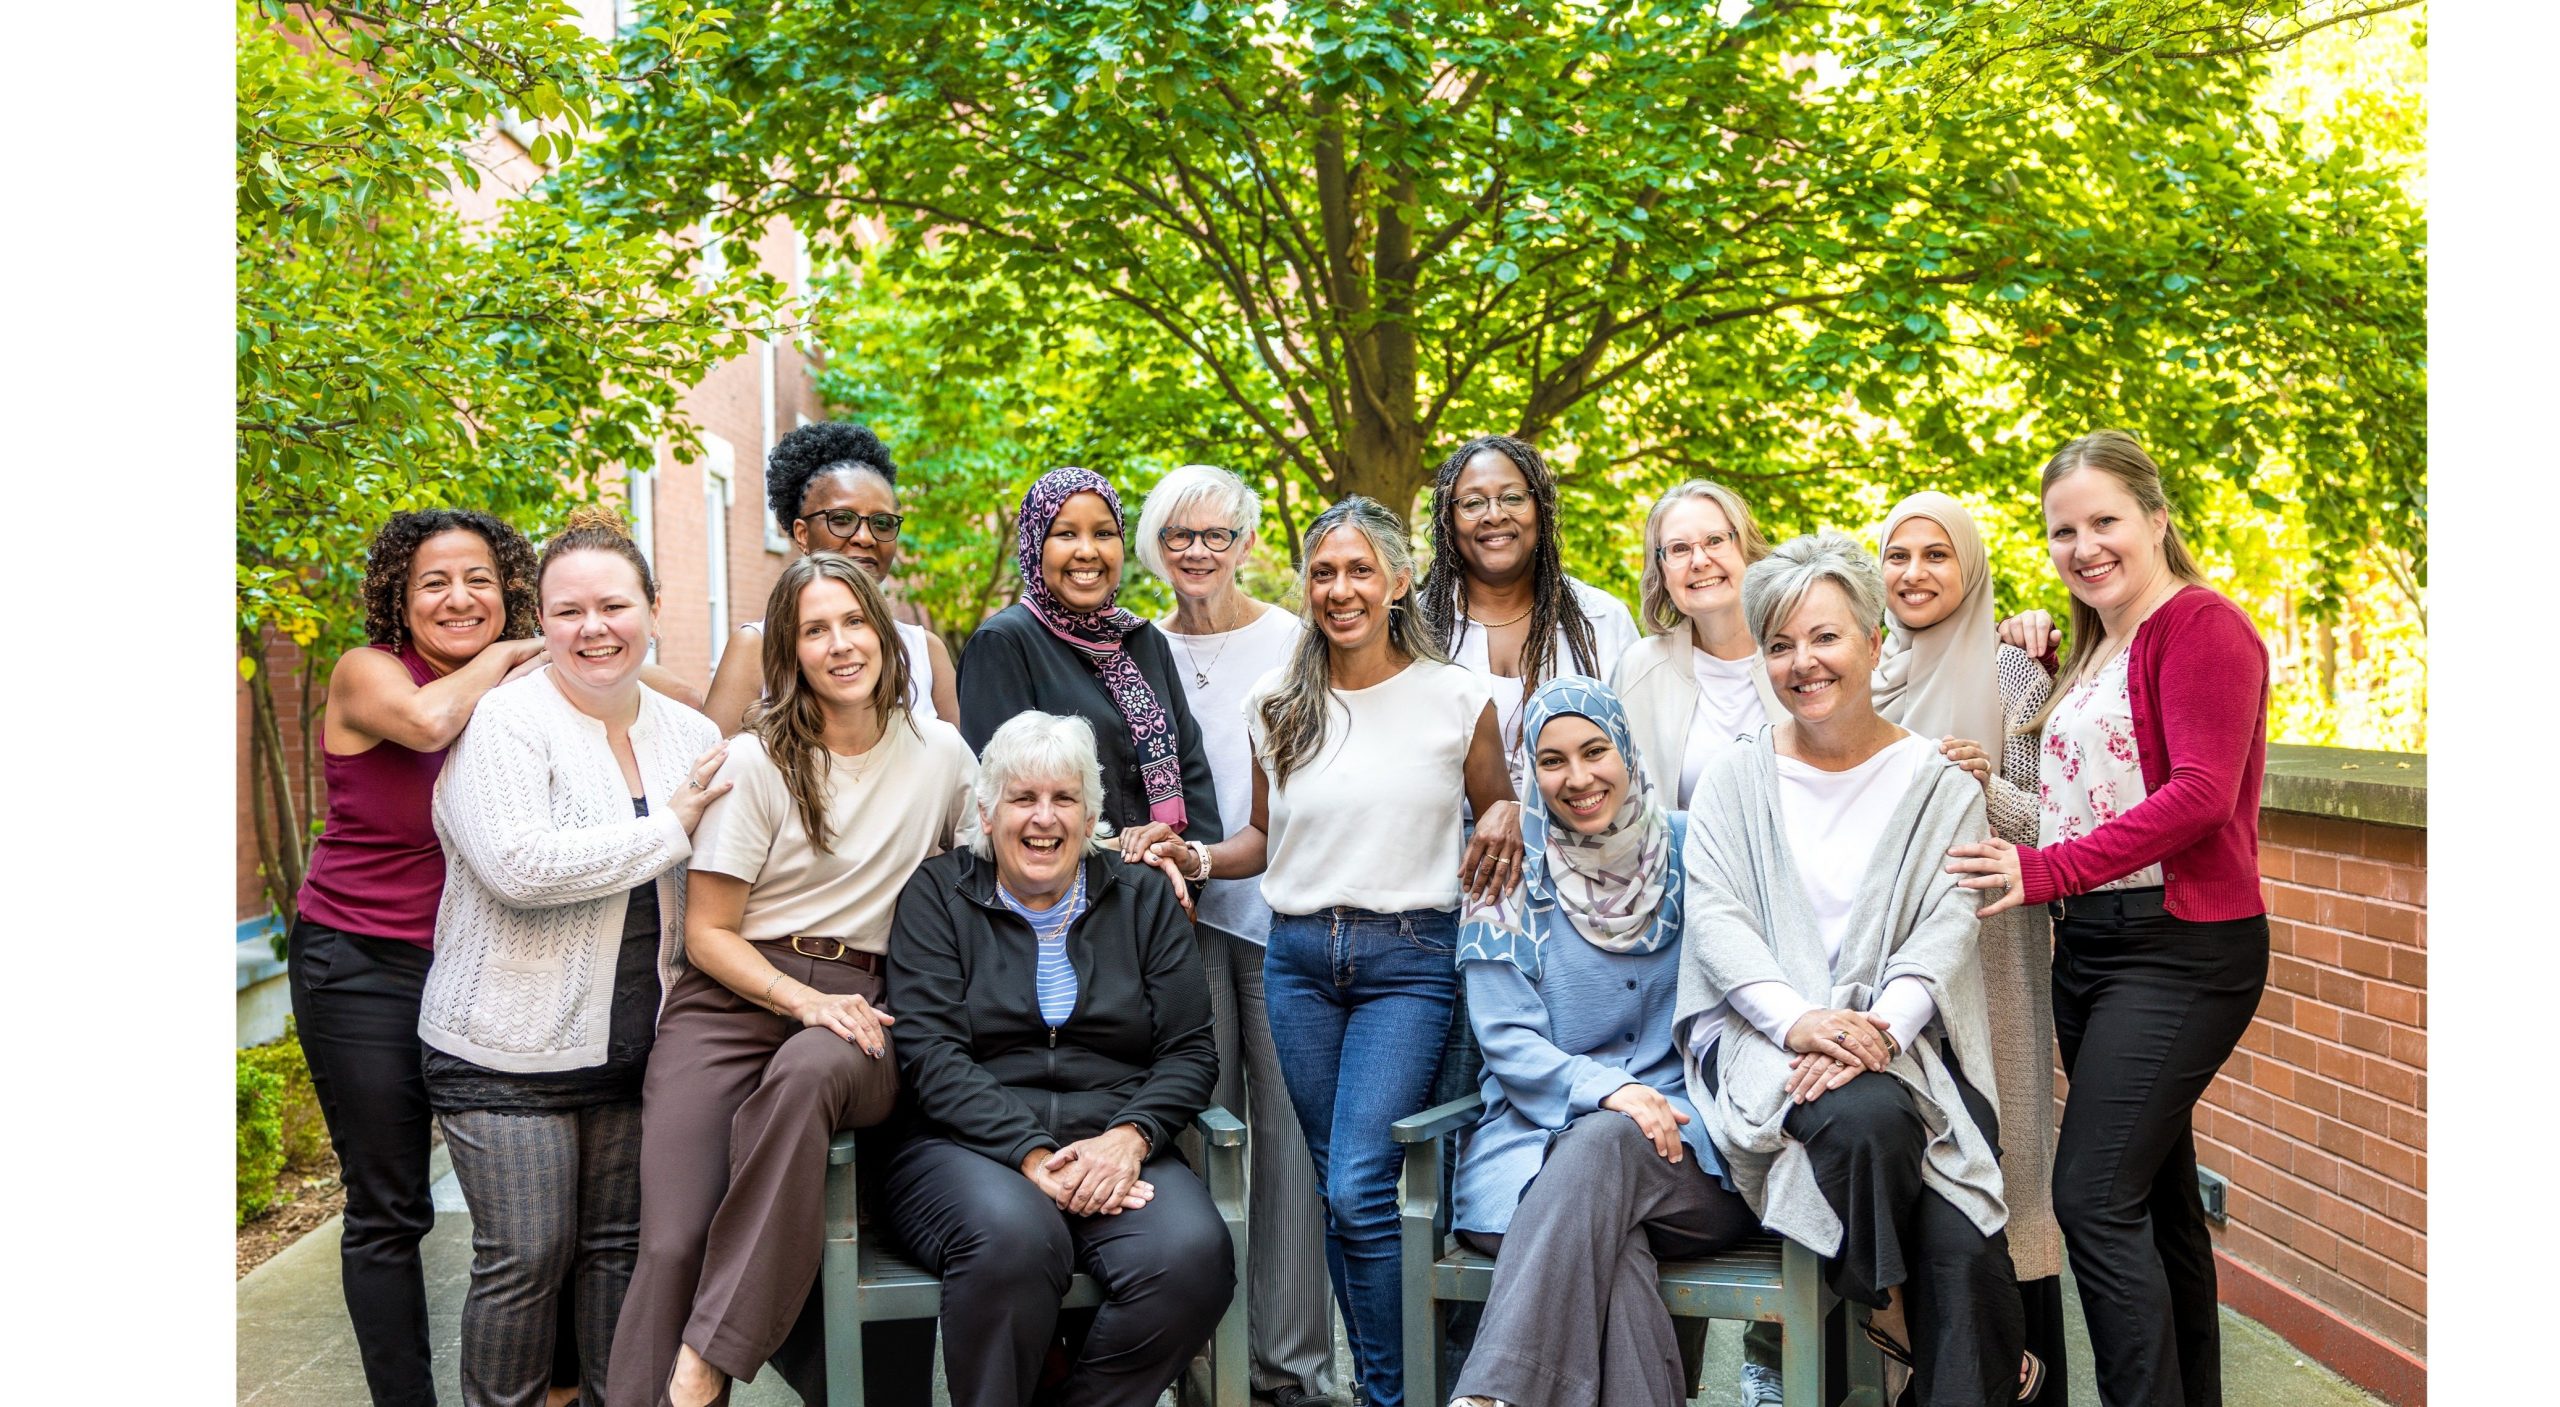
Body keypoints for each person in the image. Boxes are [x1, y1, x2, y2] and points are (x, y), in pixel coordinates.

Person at [1137, 495, 1524, 1407]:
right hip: (1300, 961)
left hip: (1409, 962)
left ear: (1397, 581)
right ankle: (1392, 1389)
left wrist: (1506, 808)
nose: (1339, 589)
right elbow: (1263, 840)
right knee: (1329, 1192)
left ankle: (1393, 1395)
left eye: (1359, 571)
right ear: (1305, 584)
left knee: (1356, 1188)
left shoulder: (1457, 697)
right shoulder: (1275, 702)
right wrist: (1190, 851)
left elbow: (1500, 811)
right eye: (1323, 571)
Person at [1945, 431, 2271, 1407]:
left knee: (2089, 1196)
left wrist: (2047, 870)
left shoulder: (2202, 625)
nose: (2083, 545)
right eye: (2062, 531)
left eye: (2104, 522)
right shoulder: (2096, 647)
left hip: (2181, 950)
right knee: (2158, 1207)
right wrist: (2025, 656)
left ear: (2156, 520)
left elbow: (2201, 795)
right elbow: (2070, 782)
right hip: (2091, 948)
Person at [609, 554, 977, 1407]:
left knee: (813, 1066)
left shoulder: (943, 756)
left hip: (868, 1006)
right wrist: (800, 998)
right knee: (672, 1241)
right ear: (789, 650)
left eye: (854, 622)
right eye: (815, 629)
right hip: (736, 999)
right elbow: (706, 934)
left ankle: (708, 1357)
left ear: (886, 635)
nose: (840, 644)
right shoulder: (756, 759)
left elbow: (1000, 869)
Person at [1674, 532, 2028, 1407]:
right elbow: (1716, 919)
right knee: (1867, 1122)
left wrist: (1875, 1030)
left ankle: (1905, 1333)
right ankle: (1895, 1316)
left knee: (1961, 1237)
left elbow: (1946, 928)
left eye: (1826, 637)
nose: (1804, 662)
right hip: (1768, 1041)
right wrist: (1800, 1021)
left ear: (1874, 642)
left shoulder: (1937, 781)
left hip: (1902, 1047)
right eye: (1782, 644)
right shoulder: (1732, 780)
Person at [421, 507, 729, 1407]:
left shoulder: (690, 734)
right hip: (503, 1048)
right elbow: (520, 866)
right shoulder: (506, 724)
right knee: (526, 1256)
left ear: (653, 608)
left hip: (641, 1050)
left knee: (615, 1260)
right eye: (567, 611)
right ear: (541, 621)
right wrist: (670, 825)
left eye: (613, 606)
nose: (593, 629)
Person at [880, 711, 1233, 1407]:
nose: (1043, 818)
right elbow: (932, 1054)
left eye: (1064, 798)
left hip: (1115, 1140)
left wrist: (1129, 1139)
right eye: (1022, 797)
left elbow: (1191, 1050)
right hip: (965, 1150)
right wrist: (1033, 1154)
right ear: (987, 811)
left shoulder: (1141, 900)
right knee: (1012, 1240)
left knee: (1190, 1257)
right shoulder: (937, 896)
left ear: (1093, 813)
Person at [1446, 676, 1763, 1407]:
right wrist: (1609, 1090)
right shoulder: (1508, 866)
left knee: (1608, 1146)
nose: (1578, 777)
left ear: (1627, 750)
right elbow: (1506, 1037)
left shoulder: (1693, 848)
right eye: (1552, 760)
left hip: (1693, 1155)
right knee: (1613, 1246)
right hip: (1529, 1158)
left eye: (1595, 750)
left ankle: (1493, 1395)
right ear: (1532, 771)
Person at [290, 509, 545, 1407]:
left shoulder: (528, 677)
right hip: (362, 960)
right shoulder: (372, 674)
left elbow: (666, 703)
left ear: (509, 583)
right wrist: (517, 648)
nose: (458, 596)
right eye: (432, 581)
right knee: (391, 1204)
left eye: (478, 576)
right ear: (400, 599)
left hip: (485, 963)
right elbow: (433, 723)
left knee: (531, 1208)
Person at [1121, 464, 1336, 1407]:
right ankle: (1209, 1373)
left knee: (1287, 1143)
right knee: (1197, 1137)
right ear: (1155, 550)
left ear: (1248, 543)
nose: (1197, 552)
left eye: (1216, 536)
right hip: (1173, 932)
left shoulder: (1294, 643)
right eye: (1178, 536)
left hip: (1281, 918)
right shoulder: (1132, 648)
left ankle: (1292, 1369)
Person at [1871, 490, 2071, 1403]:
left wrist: (1988, 786)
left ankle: (2029, 1378)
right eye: (1899, 555)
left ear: (1972, 566)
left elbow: (2057, 831)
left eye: (1937, 554)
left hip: (1994, 955)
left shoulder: (2017, 673)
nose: (1915, 573)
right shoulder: (1860, 672)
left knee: (2007, 1171)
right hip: (1882, 963)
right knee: (1908, 1172)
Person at [956, 466, 1221, 843]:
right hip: (1059, 891)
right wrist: (1119, 861)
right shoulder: (1004, 644)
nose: (1087, 551)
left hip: (1162, 890)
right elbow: (1003, 802)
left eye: (1103, 533)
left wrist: (1192, 863)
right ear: (1035, 545)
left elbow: (1190, 765)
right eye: (1066, 534)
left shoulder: (1142, 640)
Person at [702, 420, 960, 732]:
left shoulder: (924, 651)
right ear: (802, 534)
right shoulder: (756, 648)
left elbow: (964, 774)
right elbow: (714, 775)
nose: (865, 537)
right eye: (841, 519)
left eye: (882, 522)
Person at [1415, 433, 1640, 757]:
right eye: (1473, 502)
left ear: (1540, 509)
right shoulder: (1415, 627)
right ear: (1449, 520)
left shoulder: (1602, 620)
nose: (1494, 515)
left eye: (1513, 497)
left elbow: (1635, 752)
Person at [1611, 479, 1786, 809]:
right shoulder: (1640, 670)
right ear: (1661, 571)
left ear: (1746, 549)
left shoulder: (1799, 653)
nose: (1699, 560)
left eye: (1715, 541)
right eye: (1679, 549)